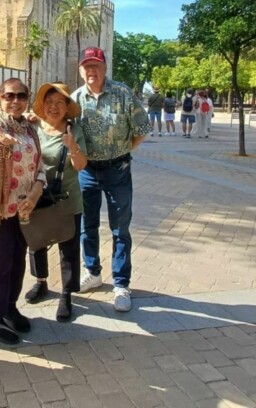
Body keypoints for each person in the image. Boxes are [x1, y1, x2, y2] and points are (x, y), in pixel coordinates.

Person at [71, 48, 151, 312]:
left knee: (120, 229)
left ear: (105, 68)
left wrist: (124, 151)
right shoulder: (75, 100)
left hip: (118, 171)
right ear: (81, 70)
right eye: (86, 67)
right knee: (87, 225)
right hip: (87, 172)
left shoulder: (123, 93)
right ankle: (92, 272)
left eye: (96, 66)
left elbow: (141, 128)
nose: (91, 71)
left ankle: (121, 283)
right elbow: (55, 123)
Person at [0, 79, 47, 344]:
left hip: (26, 207)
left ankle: (10, 307)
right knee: (3, 261)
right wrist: (3, 139)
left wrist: (35, 193)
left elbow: (40, 166)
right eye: (9, 96)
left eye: (21, 96)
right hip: (3, 209)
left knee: (19, 260)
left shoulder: (30, 129)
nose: (15, 101)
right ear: (0, 97)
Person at [23, 83, 88, 322]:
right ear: (42, 105)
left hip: (67, 198)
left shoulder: (75, 130)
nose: (54, 107)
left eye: (60, 102)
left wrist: (73, 147)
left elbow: (81, 166)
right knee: (36, 241)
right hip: (35, 196)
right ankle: (41, 282)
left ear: (67, 107)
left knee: (68, 248)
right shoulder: (32, 127)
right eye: (49, 102)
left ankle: (66, 294)